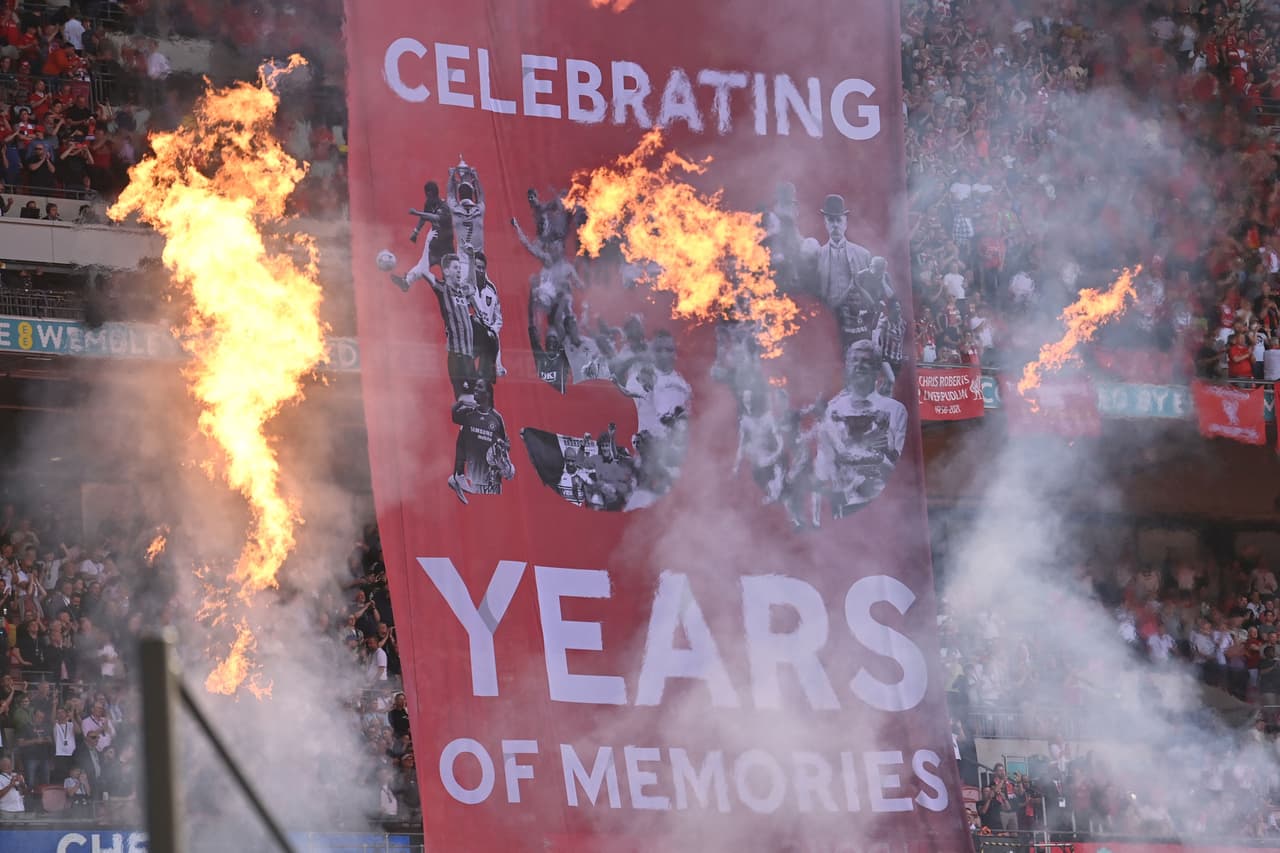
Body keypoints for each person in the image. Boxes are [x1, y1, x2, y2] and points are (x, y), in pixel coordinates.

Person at [815, 341, 908, 517]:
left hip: (881, 506)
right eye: (854, 360)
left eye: (866, 361)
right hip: (842, 504)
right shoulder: (834, 408)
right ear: (847, 367)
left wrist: (880, 455)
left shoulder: (895, 410)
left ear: (876, 370)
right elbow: (824, 462)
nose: (859, 365)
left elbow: (901, 468)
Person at [448, 378, 515, 504]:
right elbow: (454, 415)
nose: (475, 389)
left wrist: (501, 448)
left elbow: (507, 444)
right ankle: (459, 474)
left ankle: (507, 470)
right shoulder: (469, 413)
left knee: (491, 511)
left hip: (491, 482)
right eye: (475, 387)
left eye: (479, 387)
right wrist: (462, 403)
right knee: (464, 429)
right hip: (473, 479)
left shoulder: (496, 418)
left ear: (488, 393)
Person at [428, 253, 478, 397]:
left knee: (475, 400)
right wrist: (428, 244)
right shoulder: (443, 289)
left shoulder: (462, 291)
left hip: (468, 357)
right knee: (464, 400)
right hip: (457, 357)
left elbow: (473, 286)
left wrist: (471, 259)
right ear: (446, 271)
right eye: (456, 268)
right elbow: (425, 273)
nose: (459, 271)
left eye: (460, 268)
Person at [469, 252, 505, 380]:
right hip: (472, 336)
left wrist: (492, 331)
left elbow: (499, 319)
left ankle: (494, 368)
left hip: (489, 338)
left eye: (482, 268)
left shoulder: (491, 289)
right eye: (477, 267)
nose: (479, 270)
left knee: (484, 380)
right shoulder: (466, 286)